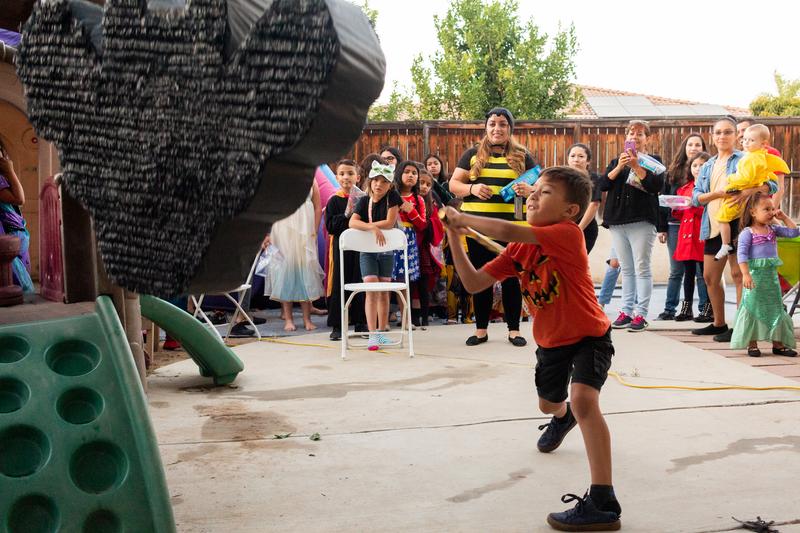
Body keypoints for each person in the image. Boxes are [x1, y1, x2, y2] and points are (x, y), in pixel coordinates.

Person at [443, 166, 621, 531]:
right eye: (533, 191)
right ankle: (561, 417)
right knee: (549, 402)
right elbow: (475, 283)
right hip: (551, 342)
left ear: (571, 210)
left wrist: (466, 218)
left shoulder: (567, 233)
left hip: (590, 334)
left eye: (545, 192)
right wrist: (455, 238)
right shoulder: (519, 249)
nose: (533, 196)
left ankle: (603, 501)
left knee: (586, 399)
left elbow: (507, 229)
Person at [448, 107, 536, 347]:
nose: (497, 128)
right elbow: (453, 184)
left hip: (513, 229)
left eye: (503, 124)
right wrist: (472, 189)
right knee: (481, 278)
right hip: (477, 230)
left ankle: (514, 330)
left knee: (511, 279)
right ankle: (480, 330)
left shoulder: (523, 155)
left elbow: (540, 187)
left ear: (510, 128)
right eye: (493, 124)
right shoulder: (471, 154)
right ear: (486, 128)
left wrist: (528, 190)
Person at [691, 117, 779, 342]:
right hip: (713, 225)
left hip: (740, 224)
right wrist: (719, 194)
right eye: (718, 132)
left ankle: (741, 327)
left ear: (736, 136)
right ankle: (719, 324)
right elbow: (696, 198)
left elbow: (773, 184)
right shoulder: (708, 164)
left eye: (728, 132)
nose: (722, 136)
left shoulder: (747, 158)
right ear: (712, 136)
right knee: (710, 277)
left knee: (739, 275)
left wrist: (747, 192)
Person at [600, 120, 665, 332]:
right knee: (626, 269)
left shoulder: (654, 162)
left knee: (642, 267)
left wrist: (637, 165)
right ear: (625, 137)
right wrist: (621, 165)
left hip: (642, 220)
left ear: (647, 138)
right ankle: (626, 311)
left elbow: (656, 186)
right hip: (618, 221)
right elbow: (603, 185)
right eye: (631, 133)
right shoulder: (615, 161)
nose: (634, 137)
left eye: (640, 134)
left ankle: (641, 314)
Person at [731, 192, 798, 357]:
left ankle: (778, 344)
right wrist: (746, 274)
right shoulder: (748, 232)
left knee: (775, 307)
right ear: (753, 212)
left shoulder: (773, 229)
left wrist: (784, 217)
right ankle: (752, 344)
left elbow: (794, 232)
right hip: (754, 277)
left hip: (770, 278)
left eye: (773, 208)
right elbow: (742, 255)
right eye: (766, 209)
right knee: (752, 307)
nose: (771, 212)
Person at [714, 124, 790, 261]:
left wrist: (735, 183)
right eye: (743, 137)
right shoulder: (748, 156)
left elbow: (773, 184)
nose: (745, 141)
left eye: (750, 139)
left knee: (724, 217)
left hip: (754, 202)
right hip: (747, 203)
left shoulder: (755, 158)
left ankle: (726, 245)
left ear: (763, 143)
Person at [657, 133, 709, 321]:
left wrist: (692, 204)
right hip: (676, 226)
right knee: (677, 270)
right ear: (684, 148)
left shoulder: (708, 179)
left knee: (701, 271)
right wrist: (662, 226)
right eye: (690, 144)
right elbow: (665, 202)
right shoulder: (673, 172)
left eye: (698, 144)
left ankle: (705, 308)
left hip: (700, 227)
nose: (693, 148)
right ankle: (671, 309)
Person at [349, 161, 401, 350]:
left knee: (384, 292)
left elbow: (389, 222)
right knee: (371, 291)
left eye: (384, 181)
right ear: (370, 182)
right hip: (368, 253)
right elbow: (352, 223)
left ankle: (381, 330)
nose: (379, 185)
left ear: (390, 185)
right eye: (376, 180)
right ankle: (372, 335)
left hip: (386, 252)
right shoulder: (363, 201)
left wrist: (375, 226)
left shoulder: (392, 197)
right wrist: (370, 227)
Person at [266, 181, 325, 331]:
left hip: (304, 232)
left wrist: (314, 230)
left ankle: (307, 319)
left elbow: (318, 207)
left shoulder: (311, 179)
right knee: (285, 272)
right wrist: (268, 234)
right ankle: (289, 318)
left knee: (305, 273)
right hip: (283, 230)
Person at [325, 159, 367, 341]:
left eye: (350, 173)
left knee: (360, 283)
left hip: (361, 248)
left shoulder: (364, 199)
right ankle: (337, 326)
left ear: (357, 177)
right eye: (342, 173)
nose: (346, 177)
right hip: (341, 249)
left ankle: (360, 323)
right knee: (339, 284)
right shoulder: (334, 200)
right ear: (336, 177)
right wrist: (347, 215)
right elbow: (331, 226)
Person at [671, 152, 711, 321]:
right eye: (695, 165)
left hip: (702, 235)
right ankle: (687, 308)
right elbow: (681, 215)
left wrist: (692, 205)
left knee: (705, 274)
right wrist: (675, 208)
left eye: (702, 165)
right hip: (686, 235)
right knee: (688, 273)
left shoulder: (710, 188)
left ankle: (709, 308)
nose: (697, 168)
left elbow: (709, 211)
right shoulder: (684, 188)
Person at [391, 160, 426, 325]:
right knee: (388, 278)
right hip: (391, 237)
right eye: (407, 172)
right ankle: (385, 318)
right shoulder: (391, 195)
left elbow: (423, 225)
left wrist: (411, 212)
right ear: (399, 174)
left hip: (408, 240)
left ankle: (405, 317)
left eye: (414, 173)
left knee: (405, 279)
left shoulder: (419, 200)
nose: (411, 175)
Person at [0, 141, 34, 293]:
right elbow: (19, 199)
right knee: (15, 275)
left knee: (21, 268)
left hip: (16, 230)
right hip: (9, 231)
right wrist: (10, 171)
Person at [415, 168, 445, 327]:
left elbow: (437, 223)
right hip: (413, 246)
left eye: (428, 184)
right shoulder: (410, 200)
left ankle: (425, 318)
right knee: (412, 283)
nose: (424, 187)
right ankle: (413, 317)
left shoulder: (432, 203)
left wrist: (428, 223)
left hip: (425, 249)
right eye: (421, 183)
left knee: (424, 284)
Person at [566, 143, 602, 253]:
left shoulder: (594, 178)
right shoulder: (562, 177)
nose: (576, 159)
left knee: (578, 263)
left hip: (585, 228)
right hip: (564, 227)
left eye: (581, 156)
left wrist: (579, 229)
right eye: (572, 156)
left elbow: (594, 204)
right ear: (568, 159)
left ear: (588, 161)